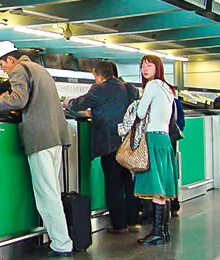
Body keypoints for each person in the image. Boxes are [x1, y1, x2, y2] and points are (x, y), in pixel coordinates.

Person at [0, 41, 73, 257]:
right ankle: (60, 239)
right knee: (52, 193)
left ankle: (62, 243)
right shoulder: (40, 69)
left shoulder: (19, 69)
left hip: (40, 139)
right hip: (56, 137)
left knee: (47, 195)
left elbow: (18, 99)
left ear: (11, 59)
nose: (3, 69)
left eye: (2, 64)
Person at [64, 61, 140, 235]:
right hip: (128, 142)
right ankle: (133, 221)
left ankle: (120, 225)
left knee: (113, 184)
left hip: (109, 143)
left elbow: (77, 104)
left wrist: (67, 102)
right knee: (127, 182)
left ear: (98, 75)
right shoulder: (129, 89)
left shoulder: (99, 89)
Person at [131, 55, 178, 246]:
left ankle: (157, 232)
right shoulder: (168, 88)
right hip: (164, 139)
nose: (144, 69)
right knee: (164, 188)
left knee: (156, 188)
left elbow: (141, 113)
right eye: (142, 66)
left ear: (157, 67)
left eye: (149, 65)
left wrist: (136, 105)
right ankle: (164, 231)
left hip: (152, 138)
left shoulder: (152, 86)